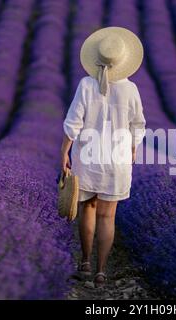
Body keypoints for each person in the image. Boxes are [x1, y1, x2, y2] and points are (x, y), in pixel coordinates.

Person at [61, 27, 146, 287]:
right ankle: (101, 271)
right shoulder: (130, 89)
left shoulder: (86, 84)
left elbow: (73, 123)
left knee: (88, 208)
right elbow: (138, 124)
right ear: (122, 61)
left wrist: (63, 151)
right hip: (117, 159)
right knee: (108, 217)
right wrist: (133, 147)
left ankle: (84, 263)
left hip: (87, 157)